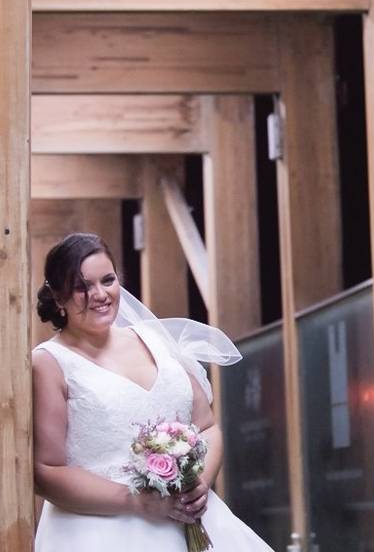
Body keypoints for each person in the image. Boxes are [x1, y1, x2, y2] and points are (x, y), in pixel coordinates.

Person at [32, 233, 272, 551]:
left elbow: (207, 427)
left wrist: (199, 483)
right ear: (59, 299)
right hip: (96, 531)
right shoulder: (49, 362)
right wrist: (137, 502)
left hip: (188, 516)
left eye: (108, 280)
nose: (100, 294)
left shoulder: (155, 339)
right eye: (82, 287)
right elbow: (46, 470)